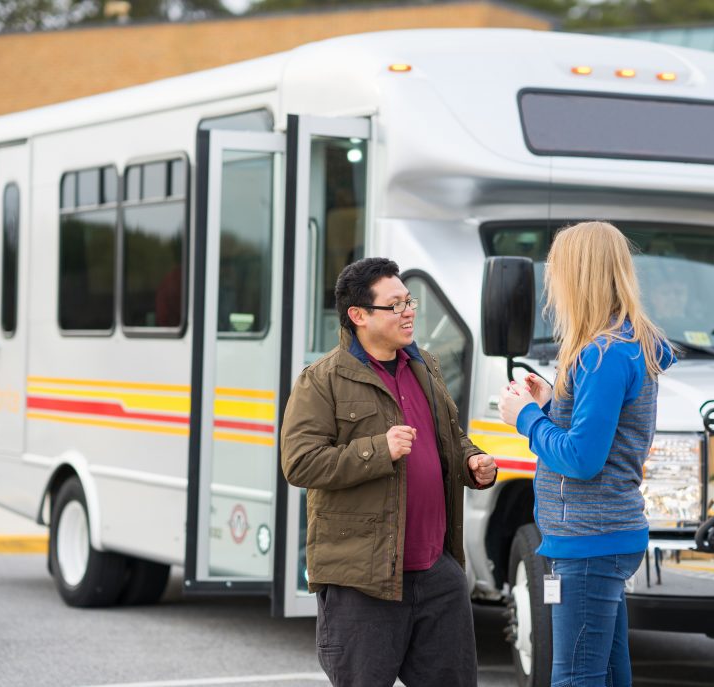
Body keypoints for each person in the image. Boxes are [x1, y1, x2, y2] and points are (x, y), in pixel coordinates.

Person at [281, 257, 497, 687]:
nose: (409, 311)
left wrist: (473, 463)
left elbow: (447, 438)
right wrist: (379, 449)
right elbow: (300, 462)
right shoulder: (321, 380)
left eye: (409, 301)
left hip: (437, 570)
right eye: (395, 304)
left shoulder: (425, 367)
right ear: (359, 316)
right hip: (363, 580)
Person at [498, 221, 675, 687]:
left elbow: (582, 458)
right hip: (606, 536)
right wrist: (550, 403)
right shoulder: (621, 346)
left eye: (556, 272)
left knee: (575, 677)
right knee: (609, 676)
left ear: (578, 276)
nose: (551, 286)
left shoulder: (602, 354)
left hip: (590, 541)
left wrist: (525, 418)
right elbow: (596, 436)